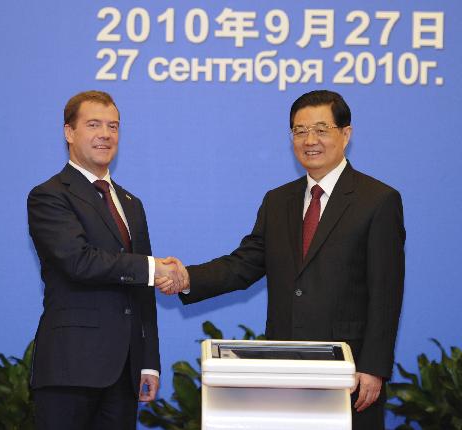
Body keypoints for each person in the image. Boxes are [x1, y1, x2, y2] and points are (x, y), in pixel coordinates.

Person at [162, 90, 405, 429]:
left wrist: (373, 366)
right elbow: (244, 264)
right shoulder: (278, 201)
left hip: (347, 371)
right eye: (299, 130)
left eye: (321, 129)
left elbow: (386, 293)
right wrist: (187, 277)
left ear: (345, 134)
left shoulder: (378, 200)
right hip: (282, 367)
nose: (310, 140)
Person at [28, 90, 184, 430]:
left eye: (113, 126)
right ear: (69, 132)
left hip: (124, 373)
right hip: (71, 369)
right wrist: (154, 268)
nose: (105, 134)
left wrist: (148, 363)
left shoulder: (131, 203)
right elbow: (78, 261)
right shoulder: (49, 195)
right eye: (94, 124)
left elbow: (142, 290)